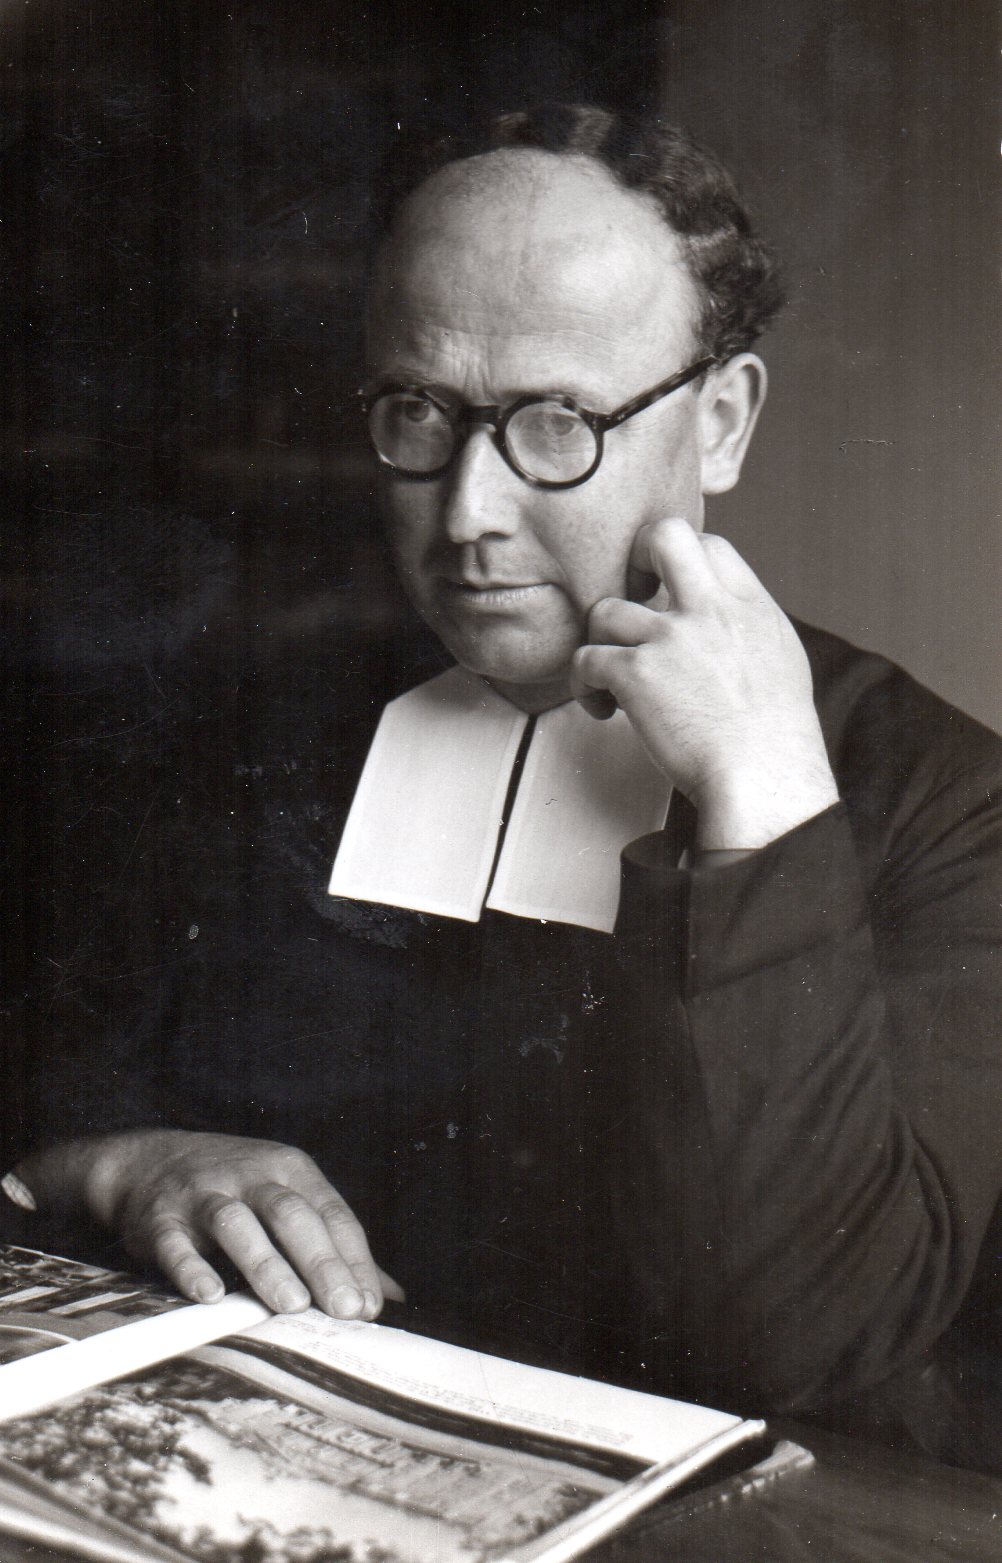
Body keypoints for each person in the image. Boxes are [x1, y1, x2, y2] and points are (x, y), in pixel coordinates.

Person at [7, 104, 1002, 1459]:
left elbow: (802, 1348)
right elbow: (48, 1068)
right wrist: (122, 1159)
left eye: (556, 422)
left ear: (719, 421)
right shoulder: (235, 726)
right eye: (418, 411)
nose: (468, 512)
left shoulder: (949, 802)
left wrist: (762, 801)